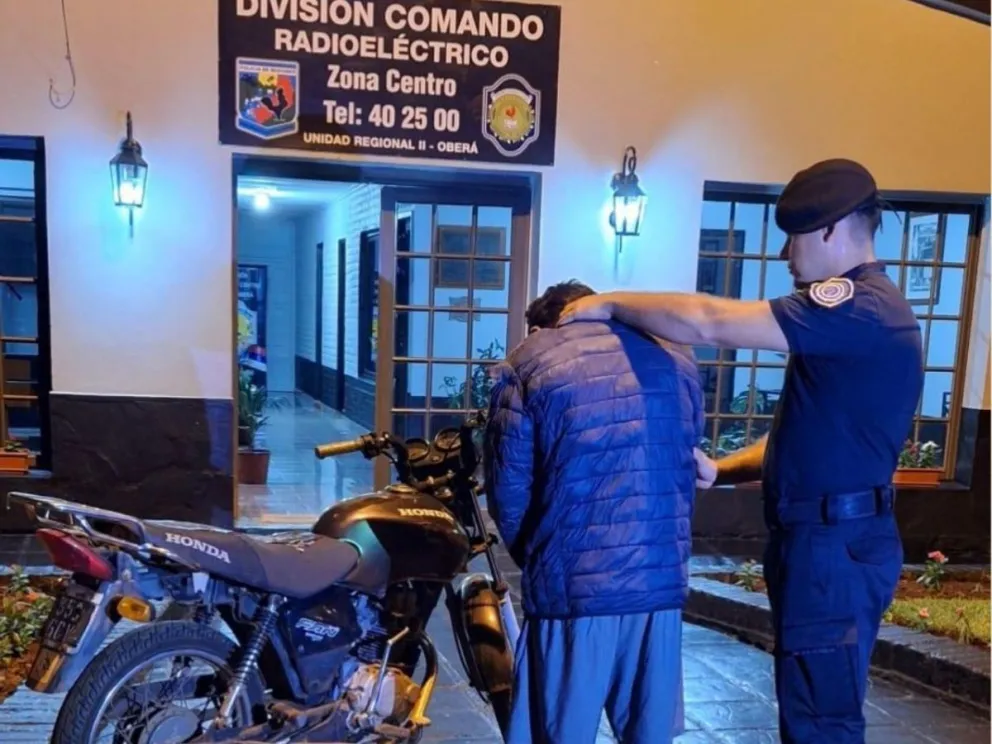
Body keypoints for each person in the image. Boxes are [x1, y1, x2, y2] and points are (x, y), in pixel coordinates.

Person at [559, 158, 924, 744]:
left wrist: (610, 302)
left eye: (794, 237)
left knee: (820, 724)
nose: (785, 254)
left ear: (830, 230)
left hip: (831, 549)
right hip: (827, 541)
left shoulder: (857, 308)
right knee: (809, 710)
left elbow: (709, 323)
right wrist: (721, 470)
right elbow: (807, 436)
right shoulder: (864, 313)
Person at [484, 280, 704, 744]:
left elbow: (509, 492)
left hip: (574, 590)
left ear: (544, 326)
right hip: (659, 584)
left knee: (558, 731)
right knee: (649, 734)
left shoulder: (529, 361)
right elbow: (685, 470)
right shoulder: (677, 358)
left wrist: (541, 558)